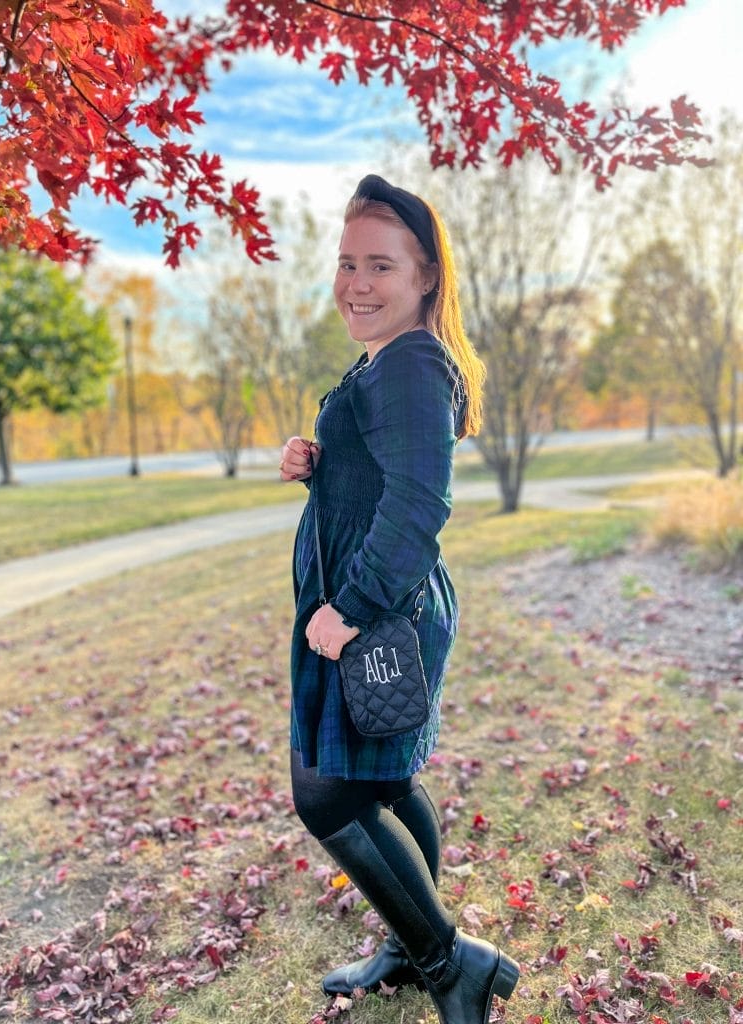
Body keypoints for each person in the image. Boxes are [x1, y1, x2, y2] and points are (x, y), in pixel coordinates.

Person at [279, 174, 519, 1024]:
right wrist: (321, 459)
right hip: (370, 603)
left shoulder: (413, 364)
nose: (356, 284)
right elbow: (386, 470)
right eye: (347, 263)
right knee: (383, 782)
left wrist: (347, 609)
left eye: (379, 265)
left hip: (376, 608)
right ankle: (408, 947)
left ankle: (451, 961)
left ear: (425, 277)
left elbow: (420, 504)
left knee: (330, 795)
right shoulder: (387, 359)